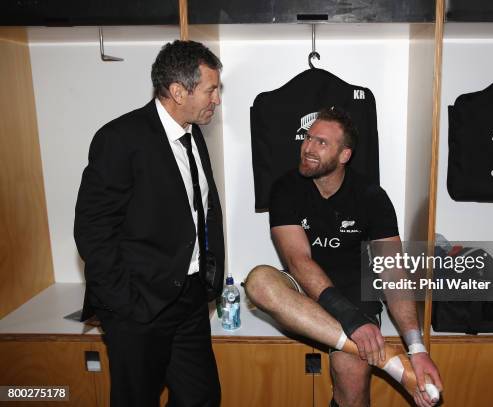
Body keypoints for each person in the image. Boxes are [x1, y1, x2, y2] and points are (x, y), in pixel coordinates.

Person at [245, 107, 443, 407]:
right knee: (258, 281)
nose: (308, 147)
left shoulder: (371, 196)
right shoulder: (285, 187)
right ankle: (390, 361)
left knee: (352, 375)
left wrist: (416, 348)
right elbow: (298, 261)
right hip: (304, 292)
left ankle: (376, 356)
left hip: (353, 294)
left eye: (321, 143)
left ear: (344, 155)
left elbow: (393, 272)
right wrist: (351, 323)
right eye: (308, 138)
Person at [74, 40, 224, 407]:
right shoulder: (120, 139)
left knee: (201, 397)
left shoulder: (192, 133)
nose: (216, 99)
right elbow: (93, 230)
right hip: (138, 306)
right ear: (177, 91)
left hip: (188, 298)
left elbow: (196, 213)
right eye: (211, 89)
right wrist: (125, 305)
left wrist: (204, 280)